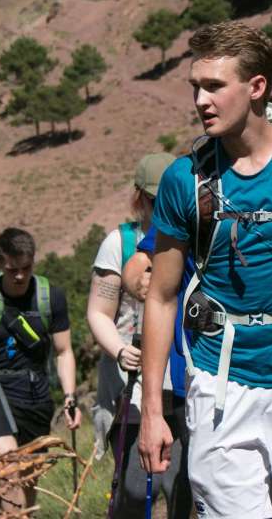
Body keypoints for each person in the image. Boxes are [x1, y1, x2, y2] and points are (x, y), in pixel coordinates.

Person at [138, 21, 272, 518]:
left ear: (256, 87)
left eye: (214, 86)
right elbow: (161, 296)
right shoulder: (182, 181)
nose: (201, 101)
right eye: (196, 88)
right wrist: (152, 411)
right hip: (217, 387)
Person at [0, 227, 83, 510]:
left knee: (30, 477)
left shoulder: (50, 297)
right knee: (9, 470)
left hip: (36, 395)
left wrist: (70, 397)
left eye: (26, 268)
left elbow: (64, 351)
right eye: (12, 269)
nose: (20, 276)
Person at [86, 153, 191, 519]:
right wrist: (118, 350)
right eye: (152, 199)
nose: (159, 207)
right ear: (138, 197)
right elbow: (99, 312)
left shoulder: (191, 238)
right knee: (132, 486)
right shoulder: (121, 243)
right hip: (129, 385)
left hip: (182, 381)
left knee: (181, 483)